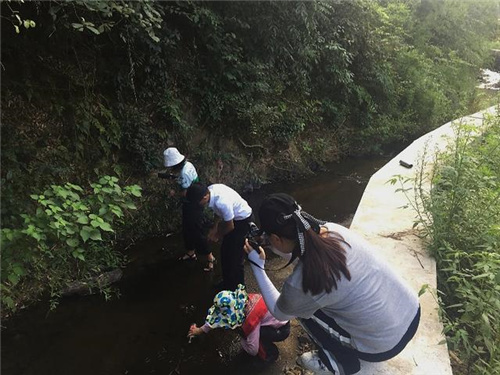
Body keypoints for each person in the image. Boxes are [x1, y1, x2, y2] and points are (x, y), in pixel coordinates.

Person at [243, 193, 420, 375]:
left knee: (301, 311)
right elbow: (300, 248)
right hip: (411, 311)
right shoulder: (332, 230)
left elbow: (280, 311)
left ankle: (339, 362)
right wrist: (271, 243)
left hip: (384, 346)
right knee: (313, 302)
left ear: (277, 238)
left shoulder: (303, 283)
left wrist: (258, 266)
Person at [187, 284, 290, 363]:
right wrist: (200, 330)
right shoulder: (243, 300)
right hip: (280, 314)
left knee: (253, 337)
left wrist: (242, 336)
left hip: (281, 329)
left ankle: (269, 354)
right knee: (253, 331)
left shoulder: (249, 321)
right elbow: (217, 317)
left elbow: (252, 350)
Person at [186, 182, 253, 289]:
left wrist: (217, 235)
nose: (199, 205)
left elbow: (230, 227)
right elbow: (218, 213)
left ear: (205, 197)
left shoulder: (222, 202)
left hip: (242, 220)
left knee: (235, 256)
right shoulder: (210, 190)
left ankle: (239, 288)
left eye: (198, 203)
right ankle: (227, 282)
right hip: (233, 219)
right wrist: (215, 227)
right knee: (225, 253)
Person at [162, 147, 215, 272]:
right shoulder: (188, 164)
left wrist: (174, 193)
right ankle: (191, 252)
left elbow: (186, 193)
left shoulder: (184, 173)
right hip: (194, 201)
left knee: (197, 231)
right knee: (187, 229)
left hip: (193, 204)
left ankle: (210, 257)